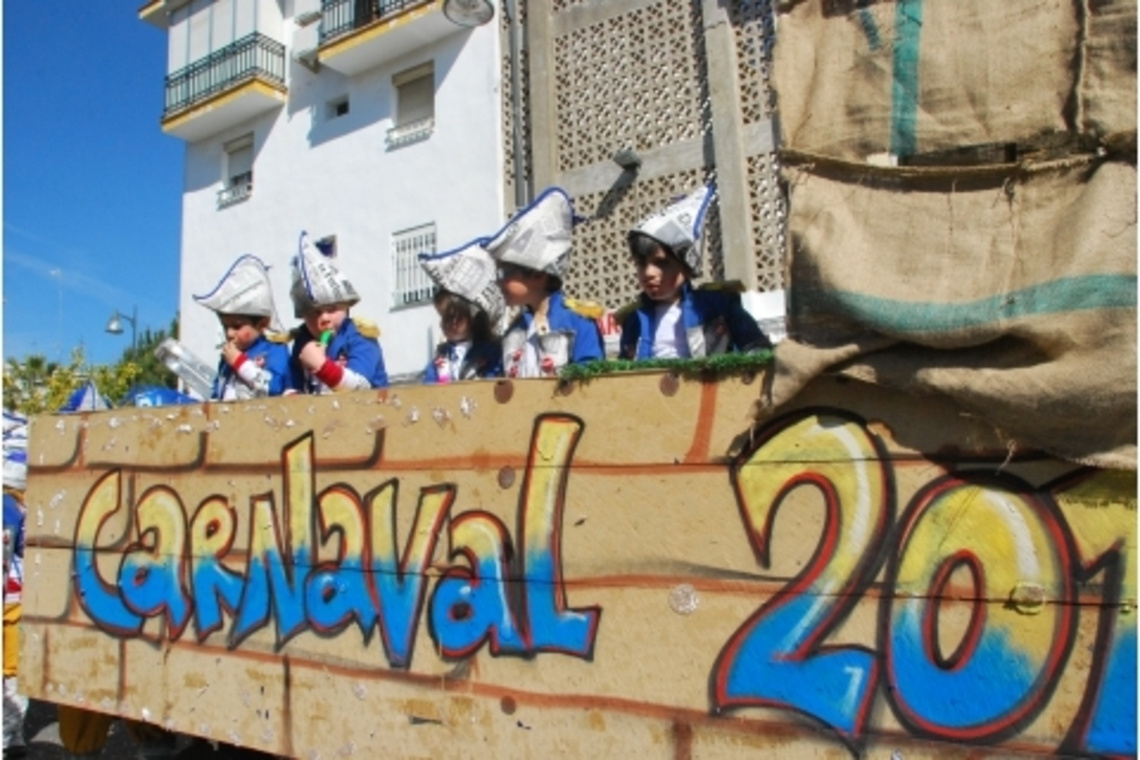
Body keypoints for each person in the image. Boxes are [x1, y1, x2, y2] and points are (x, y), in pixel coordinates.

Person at [618, 185, 771, 359]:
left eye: (661, 263)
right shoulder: (634, 318)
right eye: (640, 264)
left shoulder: (719, 306)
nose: (648, 273)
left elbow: (756, 347)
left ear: (686, 265)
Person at [485, 187, 604, 378]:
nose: (499, 283)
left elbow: (592, 375)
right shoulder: (514, 330)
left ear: (538, 275)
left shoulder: (578, 322)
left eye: (505, 273)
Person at [288, 232, 389, 393]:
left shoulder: (360, 336)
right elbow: (292, 387)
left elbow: (360, 387)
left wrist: (322, 367)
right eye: (314, 313)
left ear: (346, 307)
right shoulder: (302, 342)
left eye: (331, 309)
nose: (324, 318)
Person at [193, 254, 291, 400]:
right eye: (225, 326)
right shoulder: (227, 358)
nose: (230, 333)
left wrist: (240, 364)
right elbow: (218, 392)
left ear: (262, 323)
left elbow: (276, 387)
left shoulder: (275, 349)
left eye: (237, 326)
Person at [418, 240, 505, 382]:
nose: (446, 324)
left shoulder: (491, 351)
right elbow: (428, 387)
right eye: (443, 318)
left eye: (454, 318)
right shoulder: (441, 357)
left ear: (473, 318)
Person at [3, 428, 27, 758]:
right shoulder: (15, 510)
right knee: (12, 674)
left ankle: (11, 738)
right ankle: (10, 738)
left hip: (12, 599)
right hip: (12, 599)